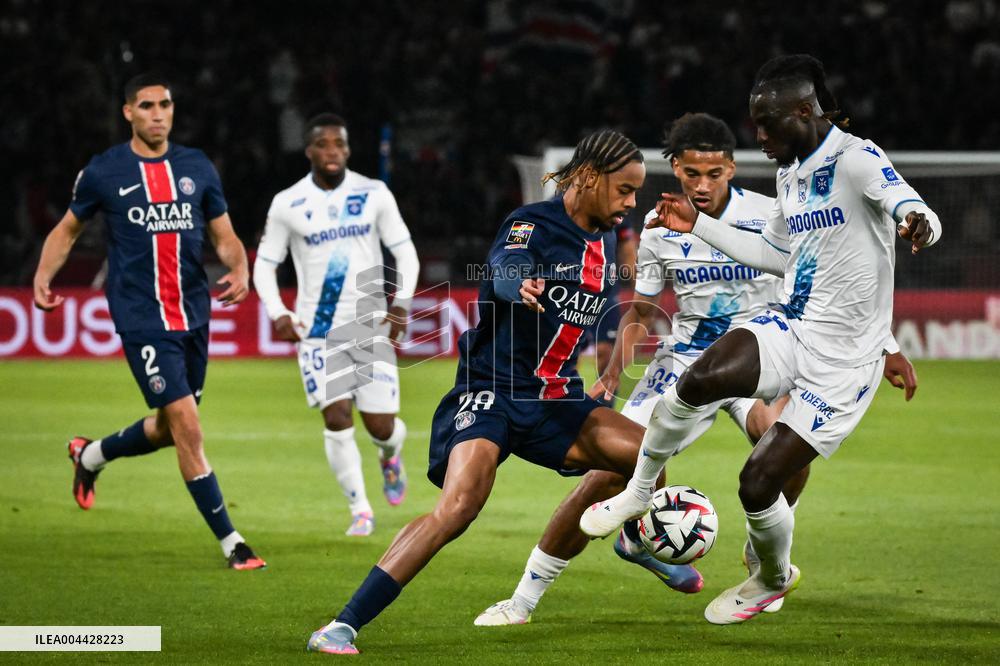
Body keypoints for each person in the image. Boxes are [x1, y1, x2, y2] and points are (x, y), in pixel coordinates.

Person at [474, 112, 917, 626]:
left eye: (713, 173)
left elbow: (827, 281)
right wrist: (613, 375)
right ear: (676, 169)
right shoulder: (658, 228)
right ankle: (524, 599)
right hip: (688, 358)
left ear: (731, 168)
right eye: (690, 174)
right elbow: (642, 312)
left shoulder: (771, 213)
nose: (701, 185)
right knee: (611, 471)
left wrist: (886, 345)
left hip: (763, 353)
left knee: (786, 447)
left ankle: (762, 560)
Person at [580, 54, 941, 624]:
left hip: (844, 361)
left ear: (805, 112)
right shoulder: (790, 174)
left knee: (758, 482)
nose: (760, 137)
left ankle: (770, 576)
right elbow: (775, 254)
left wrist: (918, 223)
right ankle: (640, 491)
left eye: (768, 125)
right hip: (792, 325)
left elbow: (913, 206)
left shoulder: (857, 159)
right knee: (700, 377)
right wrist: (698, 226)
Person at [306, 130, 659, 654]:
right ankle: (343, 625)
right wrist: (520, 284)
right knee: (458, 508)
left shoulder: (606, 241)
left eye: (635, 193)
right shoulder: (531, 223)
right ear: (588, 177)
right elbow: (505, 266)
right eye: (624, 190)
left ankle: (629, 537)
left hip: (557, 400)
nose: (630, 203)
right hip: (492, 390)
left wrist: (607, 378)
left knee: (648, 456)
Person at [32, 73, 265, 570]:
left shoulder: (197, 167)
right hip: (142, 317)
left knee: (166, 428)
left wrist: (240, 267)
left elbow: (224, 235)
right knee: (188, 426)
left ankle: (90, 455)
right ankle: (233, 543)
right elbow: (67, 230)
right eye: (146, 106)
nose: (158, 114)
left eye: (165, 105)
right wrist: (43, 276)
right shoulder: (104, 171)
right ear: (128, 113)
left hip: (193, 314)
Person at [253, 113, 419, 537]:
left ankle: (389, 455)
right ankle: (360, 509)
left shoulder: (374, 193)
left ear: (348, 149)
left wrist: (400, 305)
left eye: (339, 144)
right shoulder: (287, 203)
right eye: (323, 144)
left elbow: (406, 252)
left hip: (369, 326)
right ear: (309, 150)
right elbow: (265, 265)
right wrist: (278, 312)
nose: (332, 151)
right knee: (337, 417)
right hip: (318, 331)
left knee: (381, 428)